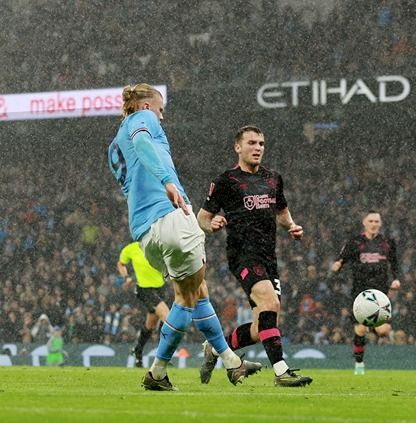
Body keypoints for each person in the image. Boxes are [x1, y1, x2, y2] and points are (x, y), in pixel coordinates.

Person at [107, 84, 261, 391]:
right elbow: (143, 141)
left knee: (197, 290)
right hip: (170, 215)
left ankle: (232, 362)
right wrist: (167, 181)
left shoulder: (114, 145)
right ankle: (158, 371)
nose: (162, 118)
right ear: (148, 106)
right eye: (161, 110)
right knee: (186, 298)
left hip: (144, 232)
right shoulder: (143, 119)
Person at [196, 125, 313, 387]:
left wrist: (291, 226)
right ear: (238, 147)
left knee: (263, 327)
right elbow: (202, 217)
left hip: (268, 257)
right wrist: (212, 224)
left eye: (261, 143)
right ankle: (281, 372)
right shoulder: (226, 181)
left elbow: (282, 212)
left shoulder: (273, 178)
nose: (258, 148)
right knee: (270, 305)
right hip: (242, 255)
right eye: (252, 143)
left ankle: (216, 348)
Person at [331, 210, 401, 375]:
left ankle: (372, 327)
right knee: (361, 329)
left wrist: (396, 278)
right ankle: (359, 363)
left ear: (380, 223)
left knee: (384, 331)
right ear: (364, 222)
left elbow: (395, 263)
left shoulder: (387, 242)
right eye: (371, 221)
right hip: (360, 293)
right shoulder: (355, 242)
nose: (374, 224)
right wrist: (338, 264)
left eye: (377, 221)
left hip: (380, 294)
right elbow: (342, 257)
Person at [117, 241, 170, 368]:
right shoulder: (131, 248)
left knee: (150, 326)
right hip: (144, 289)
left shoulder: (158, 245)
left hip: (160, 289)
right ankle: (163, 357)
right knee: (167, 318)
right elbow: (121, 263)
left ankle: (137, 350)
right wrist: (126, 277)